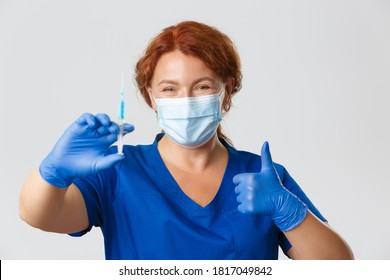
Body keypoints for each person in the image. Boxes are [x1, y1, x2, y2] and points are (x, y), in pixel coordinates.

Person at [19, 21, 354, 260]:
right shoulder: (118, 170)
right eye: (170, 88)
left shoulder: (263, 177)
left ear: (227, 90)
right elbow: (40, 216)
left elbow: (338, 267)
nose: (187, 99)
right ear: (150, 95)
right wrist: (53, 172)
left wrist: (289, 212)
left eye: (203, 86)